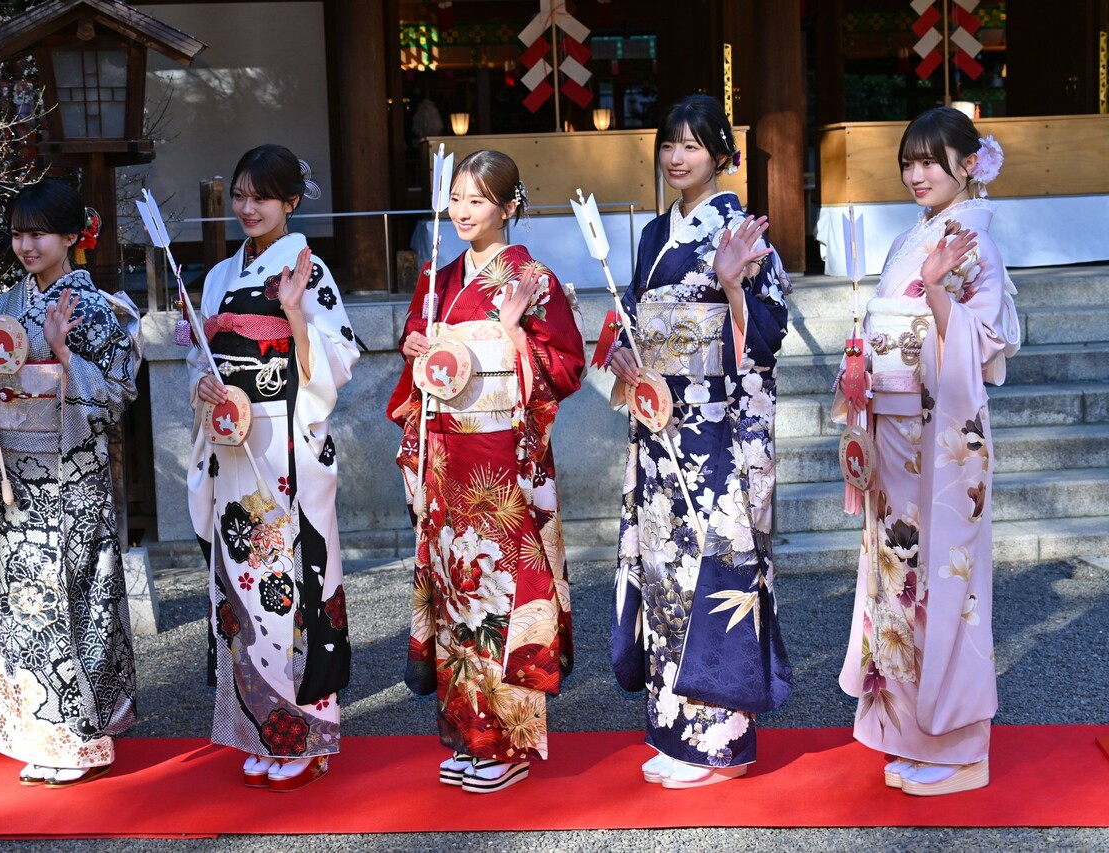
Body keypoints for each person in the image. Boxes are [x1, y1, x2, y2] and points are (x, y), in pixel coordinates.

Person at [608, 95, 794, 789]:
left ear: (721, 153)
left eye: (691, 145)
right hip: (660, 426)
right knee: (666, 572)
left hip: (717, 428)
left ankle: (720, 744)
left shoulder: (741, 229)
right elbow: (637, 320)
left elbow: (769, 335)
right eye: (668, 144)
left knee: (716, 571)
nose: (676, 157)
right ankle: (677, 733)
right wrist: (626, 358)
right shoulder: (656, 233)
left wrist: (730, 285)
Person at [389, 149, 585, 793]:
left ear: (508, 206)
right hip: (448, 457)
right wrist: (415, 347)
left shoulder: (532, 277)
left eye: (477, 200)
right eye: (456, 198)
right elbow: (420, 365)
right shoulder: (437, 278)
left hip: (503, 461)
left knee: (505, 595)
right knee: (457, 595)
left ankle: (510, 743)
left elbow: (566, 368)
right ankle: (469, 737)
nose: (463, 211)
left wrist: (512, 332)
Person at [836, 107, 1018, 796]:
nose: (916, 174)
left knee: (946, 582)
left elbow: (982, 344)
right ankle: (915, 735)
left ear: (968, 165)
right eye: (908, 162)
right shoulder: (913, 236)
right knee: (897, 579)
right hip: (893, 435)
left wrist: (938, 290)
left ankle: (963, 748)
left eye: (930, 161)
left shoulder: (974, 241)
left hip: (940, 436)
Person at [0, 179, 141, 787]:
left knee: (68, 597)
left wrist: (65, 355)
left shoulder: (96, 308)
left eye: (38, 233)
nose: (26, 245)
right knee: (19, 604)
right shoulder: (4, 304)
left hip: (69, 475)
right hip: (12, 479)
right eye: (17, 234)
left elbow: (119, 393)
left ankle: (79, 739)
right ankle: (37, 734)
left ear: (70, 237)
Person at [187, 145, 358, 792]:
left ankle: (308, 734)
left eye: (261, 196)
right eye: (239, 195)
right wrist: (205, 385)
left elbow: (339, 359)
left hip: (285, 442)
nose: (247, 207)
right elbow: (204, 358)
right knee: (243, 590)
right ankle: (258, 730)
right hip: (234, 444)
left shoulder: (308, 268)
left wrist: (291, 313)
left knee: (294, 586)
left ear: (290, 201)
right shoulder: (218, 275)